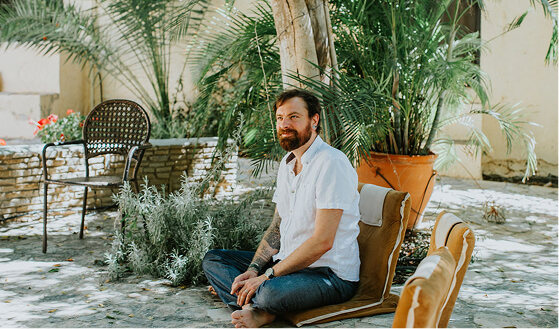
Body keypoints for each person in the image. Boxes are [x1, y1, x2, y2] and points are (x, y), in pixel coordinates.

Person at [202, 88, 361, 328]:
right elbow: (277, 225)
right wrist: (254, 271)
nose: (284, 124)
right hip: (285, 265)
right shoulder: (287, 165)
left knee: (269, 294)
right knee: (214, 259)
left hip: (327, 274)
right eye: (279, 118)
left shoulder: (332, 163)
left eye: (294, 117)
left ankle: (262, 307)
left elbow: (323, 241)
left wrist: (267, 277)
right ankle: (253, 307)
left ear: (314, 120)